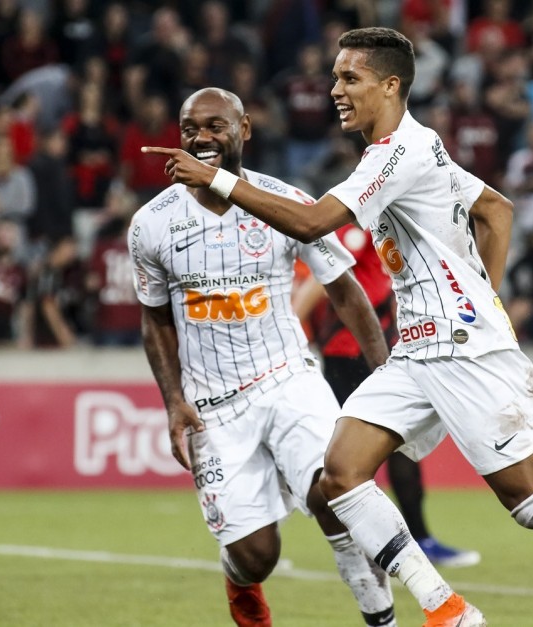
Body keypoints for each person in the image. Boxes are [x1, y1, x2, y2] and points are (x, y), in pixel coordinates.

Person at [143, 27, 533, 627]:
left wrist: (216, 180)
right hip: (415, 352)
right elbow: (496, 207)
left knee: (531, 503)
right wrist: (484, 292)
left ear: (390, 86)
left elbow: (313, 224)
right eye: (336, 77)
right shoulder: (416, 148)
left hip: (464, 350)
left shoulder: (398, 153)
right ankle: (446, 609)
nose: (335, 90)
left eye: (349, 78)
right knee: (340, 475)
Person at [132, 87, 398, 627]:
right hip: (214, 406)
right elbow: (154, 317)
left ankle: (382, 620)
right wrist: (173, 401)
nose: (201, 138)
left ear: (245, 129)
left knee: (339, 493)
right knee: (257, 556)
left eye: (215, 126)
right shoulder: (151, 224)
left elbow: (345, 290)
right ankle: (240, 581)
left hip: (288, 379)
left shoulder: (289, 204)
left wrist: (387, 373)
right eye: (190, 129)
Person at [292, 223, 480, 568]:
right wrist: (291, 332)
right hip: (347, 356)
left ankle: (419, 539)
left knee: (401, 446)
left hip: (386, 354)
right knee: (336, 454)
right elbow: (322, 278)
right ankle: (274, 535)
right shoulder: (356, 230)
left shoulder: (392, 231)